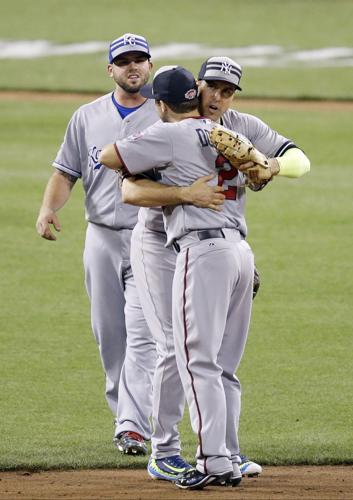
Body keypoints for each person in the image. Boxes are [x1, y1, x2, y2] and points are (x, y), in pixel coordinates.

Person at [100, 64, 309, 490]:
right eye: (211, 88)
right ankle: (169, 451)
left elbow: (108, 158)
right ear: (196, 91)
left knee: (206, 359)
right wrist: (186, 193)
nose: (218, 96)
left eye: (227, 91)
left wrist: (268, 165)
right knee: (179, 350)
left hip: (207, 248)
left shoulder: (208, 128)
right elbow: (129, 191)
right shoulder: (213, 135)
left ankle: (220, 454)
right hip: (179, 245)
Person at [35, 33, 225, 455]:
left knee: (143, 333)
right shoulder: (86, 117)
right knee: (110, 335)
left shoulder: (168, 117)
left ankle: (132, 426)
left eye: (140, 60)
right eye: (124, 62)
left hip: (152, 237)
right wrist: (49, 208)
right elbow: (65, 172)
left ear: (150, 67)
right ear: (111, 69)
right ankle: (126, 418)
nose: (133, 67)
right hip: (100, 237)